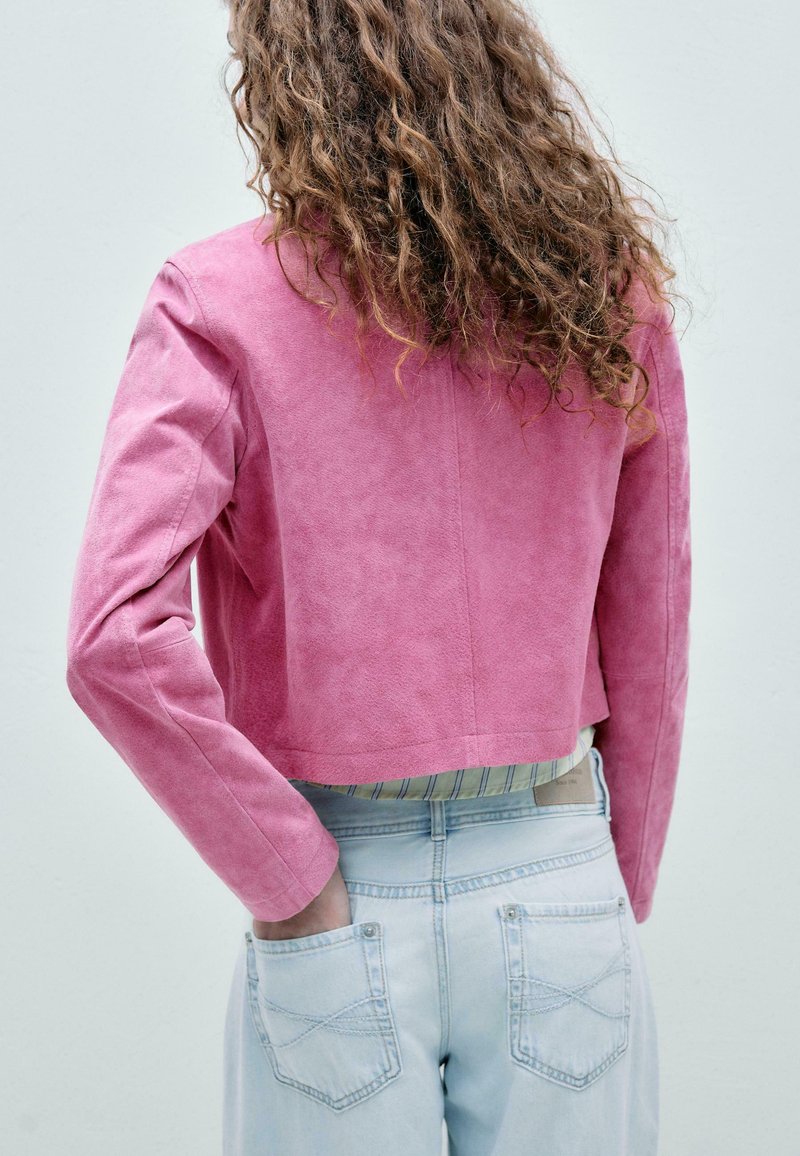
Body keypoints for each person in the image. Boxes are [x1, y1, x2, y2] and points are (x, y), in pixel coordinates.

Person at [65, 0, 691, 1152]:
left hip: (336, 894)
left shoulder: (215, 302)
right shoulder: (599, 293)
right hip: (554, 873)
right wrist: (610, 881)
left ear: (280, 74)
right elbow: (649, 613)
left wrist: (289, 874)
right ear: (491, 56)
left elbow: (113, 636)